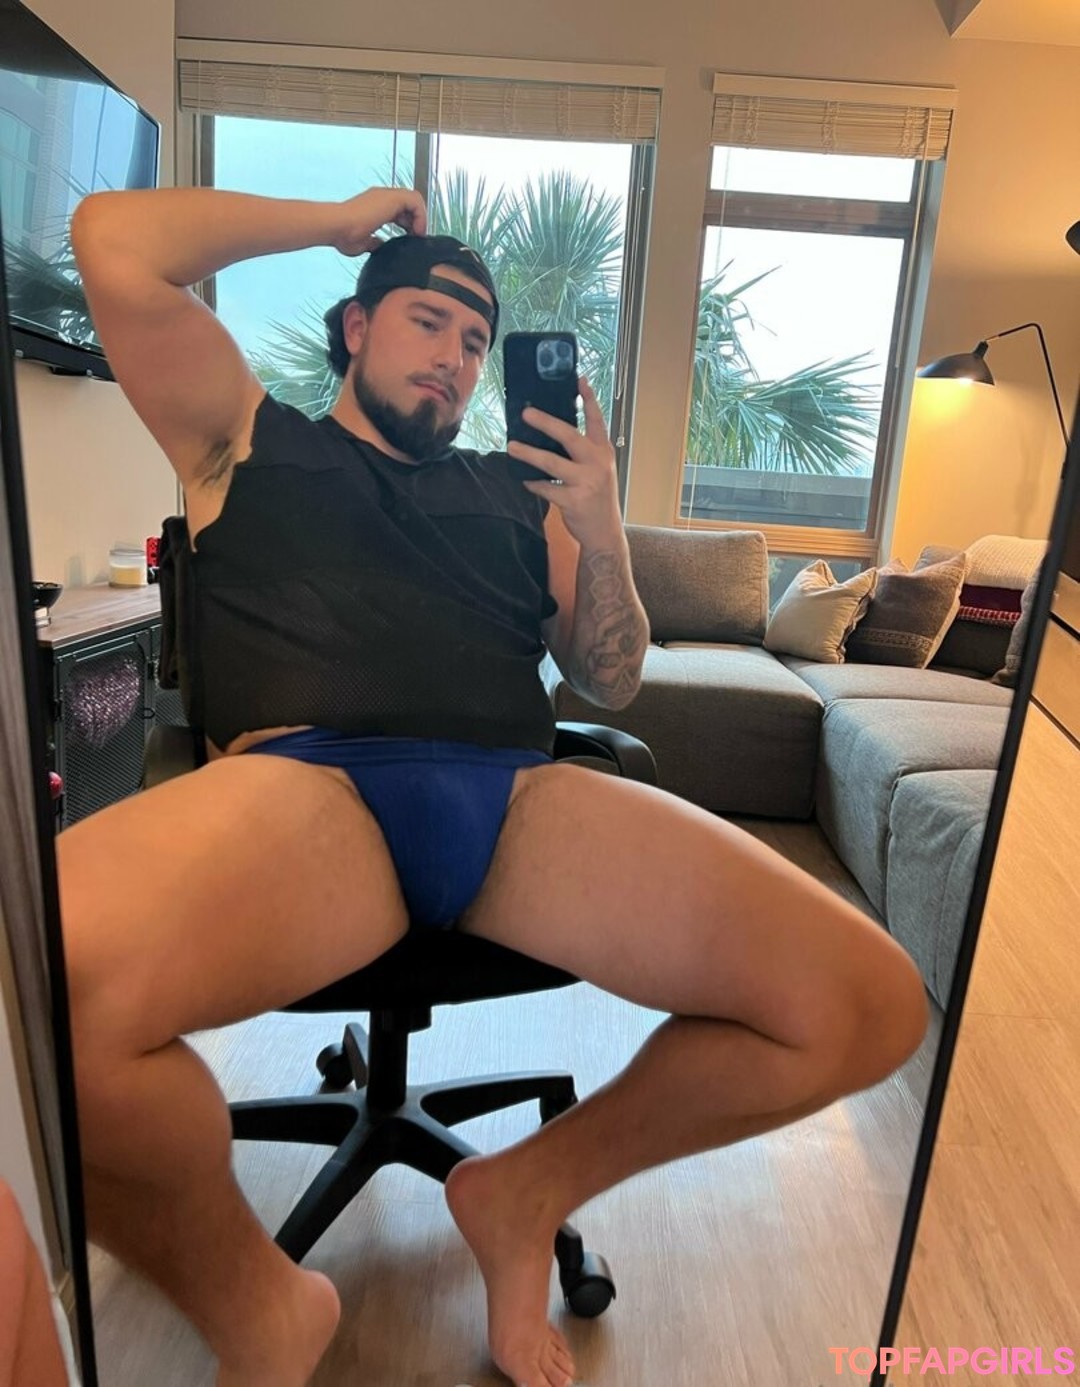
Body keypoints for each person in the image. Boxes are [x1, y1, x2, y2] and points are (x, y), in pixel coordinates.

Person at [61, 184, 928, 1387]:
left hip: (516, 800)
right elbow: (110, 240)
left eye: (475, 341)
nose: (455, 357)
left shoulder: (523, 493)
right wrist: (332, 219)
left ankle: (526, 1191)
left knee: (868, 1006)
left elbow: (611, 677)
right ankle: (260, 1308)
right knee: (49, 977)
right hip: (313, 789)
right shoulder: (246, 439)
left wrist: (602, 526)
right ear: (354, 327)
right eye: (427, 321)